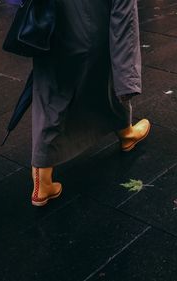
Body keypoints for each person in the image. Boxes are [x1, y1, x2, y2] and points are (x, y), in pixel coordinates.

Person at [30, 0, 150, 207]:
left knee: (51, 92)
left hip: (50, 26)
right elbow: (124, 22)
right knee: (106, 77)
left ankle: (42, 180)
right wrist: (128, 81)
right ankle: (127, 134)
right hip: (93, 32)